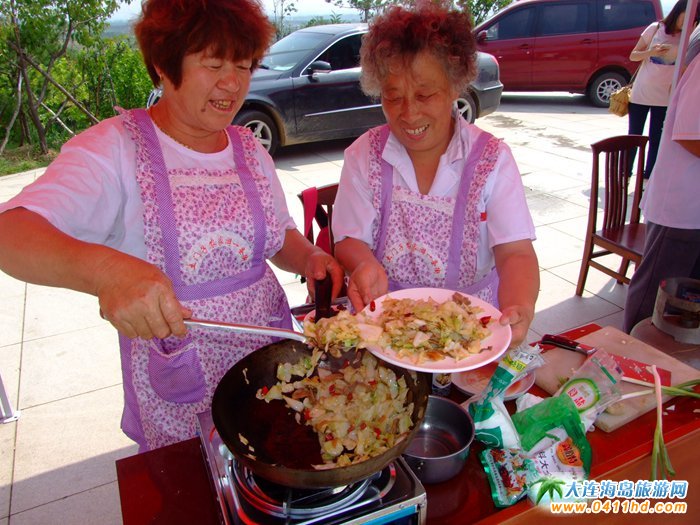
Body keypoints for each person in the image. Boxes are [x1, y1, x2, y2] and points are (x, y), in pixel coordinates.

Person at [0, 0, 343, 451]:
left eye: (244, 65)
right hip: (181, 373)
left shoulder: (249, 147)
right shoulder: (115, 148)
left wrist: (310, 256)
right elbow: (12, 233)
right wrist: (107, 273)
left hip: (268, 359)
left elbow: (279, 237)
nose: (232, 83)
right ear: (163, 64)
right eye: (213, 64)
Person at [331, 2, 539, 348]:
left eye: (424, 95)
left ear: (455, 86)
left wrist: (520, 305)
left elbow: (515, 251)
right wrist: (363, 263)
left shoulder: (492, 160)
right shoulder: (363, 156)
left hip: (470, 332)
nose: (409, 113)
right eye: (393, 97)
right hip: (385, 327)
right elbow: (349, 238)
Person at [623, 50, 700, 333]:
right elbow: (689, 136)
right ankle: (630, 349)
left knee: (688, 298)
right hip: (681, 206)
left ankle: (674, 353)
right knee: (655, 291)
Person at [627, 0, 697, 179]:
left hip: (665, 96)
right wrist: (652, 52)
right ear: (678, 11)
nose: (686, 22)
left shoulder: (690, 35)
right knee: (634, 135)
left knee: (656, 138)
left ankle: (649, 175)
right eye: (685, 17)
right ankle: (625, 171)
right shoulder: (656, 28)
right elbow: (633, 55)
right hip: (642, 93)